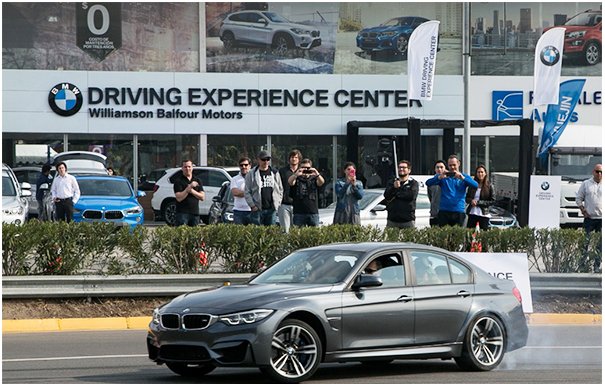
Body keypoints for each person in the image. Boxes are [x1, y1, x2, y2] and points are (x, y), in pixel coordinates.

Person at [426, 154, 478, 227]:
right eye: (450, 165)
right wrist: (439, 177)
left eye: (454, 165)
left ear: (458, 164)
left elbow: (475, 185)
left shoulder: (464, 176)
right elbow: (428, 183)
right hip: (444, 211)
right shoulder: (443, 176)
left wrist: (462, 178)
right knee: (444, 236)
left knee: (458, 236)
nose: (452, 167)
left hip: (459, 210)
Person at [245, 150, 283, 226]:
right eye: (263, 159)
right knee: (257, 234)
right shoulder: (251, 173)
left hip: (272, 209)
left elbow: (280, 189)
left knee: (271, 233)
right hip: (257, 209)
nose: (266, 162)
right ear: (258, 160)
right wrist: (252, 205)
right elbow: (247, 191)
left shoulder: (275, 172)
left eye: (268, 159)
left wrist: (278, 203)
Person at [576, 163, 602, 272]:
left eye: (601, 172)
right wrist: (583, 210)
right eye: (597, 171)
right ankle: (582, 265)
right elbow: (578, 198)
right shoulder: (586, 184)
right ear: (593, 172)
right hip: (589, 219)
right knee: (585, 242)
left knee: (600, 244)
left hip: (601, 219)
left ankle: (597, 266)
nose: (599, 174)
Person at [288, 158, 325, 227]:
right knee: (298, 235)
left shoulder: (314, 178)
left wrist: (316, 173)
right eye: (303, 167)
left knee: (314, 234)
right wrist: (296, 174)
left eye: (307, 168)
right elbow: (290, 182)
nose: (305, 170)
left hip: (313, 212)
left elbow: (321, 182)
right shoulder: (297, 178)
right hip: (299, 212)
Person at [384, 160, 419, 228]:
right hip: (392, 220)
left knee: (409, 239)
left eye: (404, 167)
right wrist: (394, 188)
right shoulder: (391, 182)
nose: (401, 169)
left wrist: (398, 190)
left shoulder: (413, 183)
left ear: (409, 170)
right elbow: (387, 196)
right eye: (399, 167)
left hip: (408, 220)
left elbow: (410, 196)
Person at [172, 159, 205, 226]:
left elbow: (202, 197)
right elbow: (179, 198)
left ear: (192, 168)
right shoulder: (178, 181)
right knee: (182, 235)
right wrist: (189, 187)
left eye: (189, 166)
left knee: (194, 236)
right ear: (182, 168)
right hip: (182, 213)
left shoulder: (197, 180)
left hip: (195, 213)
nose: (187, 168)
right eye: (185, 167)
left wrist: (191, 191)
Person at [278, 149, 302, 232]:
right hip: (284, 203)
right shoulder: (282, 171)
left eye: (296, 157)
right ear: (289, 159)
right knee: (285, 231)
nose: (294, 159)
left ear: (299, 159)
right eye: (292, 157)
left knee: (297, 231)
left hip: (299, 205)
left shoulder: (302, 171)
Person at [465, 165, 495, 230]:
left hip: (484, 213)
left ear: (485, 173)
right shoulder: (472, 185)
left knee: (483, 233)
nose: (480, 174)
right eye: (478, 172)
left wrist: (478, 202)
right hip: (472, 212)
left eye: (482, 172)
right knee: (470, 233)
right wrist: (471, 201)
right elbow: (466, 198)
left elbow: (492, 201)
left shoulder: (489, 186)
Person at [231, 156, 252, 225]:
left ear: (250, 166)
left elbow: (257, 192)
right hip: (238, 211)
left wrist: (242, 193)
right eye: (241, 165)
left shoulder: (255, 178)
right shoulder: (234, 179)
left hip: (252, 210)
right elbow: (235, 192)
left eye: (246, 165)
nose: (243, 167)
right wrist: (249, 193)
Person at [428, 160, 446, 227]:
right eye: (437, 167)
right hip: (434, 213)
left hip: (445, 213)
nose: (439, 169)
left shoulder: (448, 181)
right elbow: (430, 197)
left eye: (441, 167)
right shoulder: (431, 182)